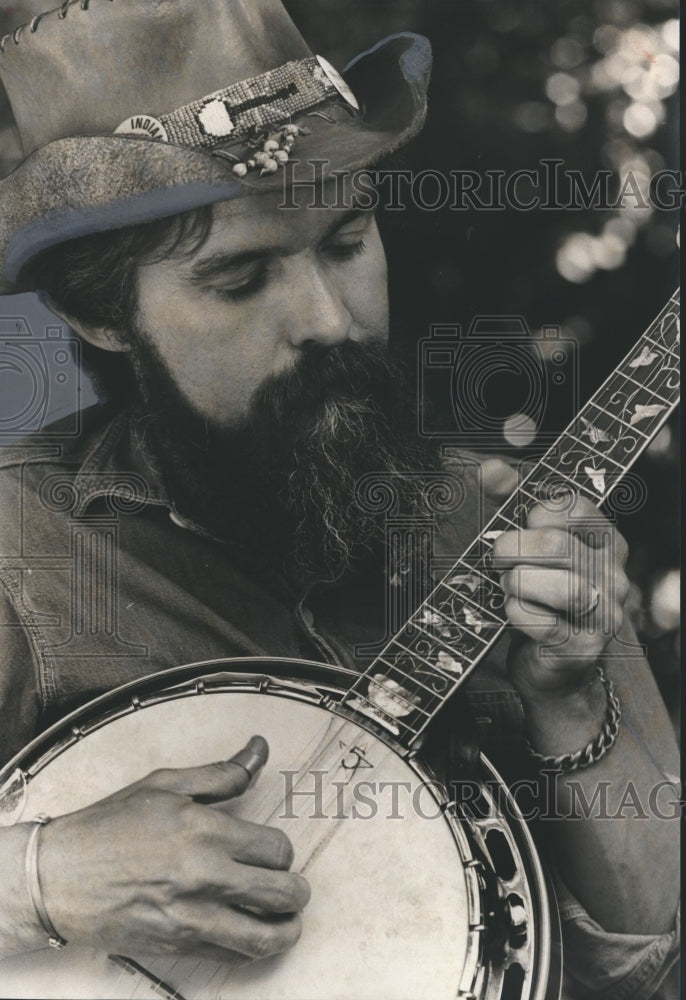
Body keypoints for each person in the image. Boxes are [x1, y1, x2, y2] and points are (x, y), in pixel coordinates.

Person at [0, 2, 679, 997]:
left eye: (347, 240)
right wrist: (41, 874)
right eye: (240, 279)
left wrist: (572, 701)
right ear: (102, 316)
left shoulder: (512, 533)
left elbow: (651, 961)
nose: (326, 319)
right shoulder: (21, 551)